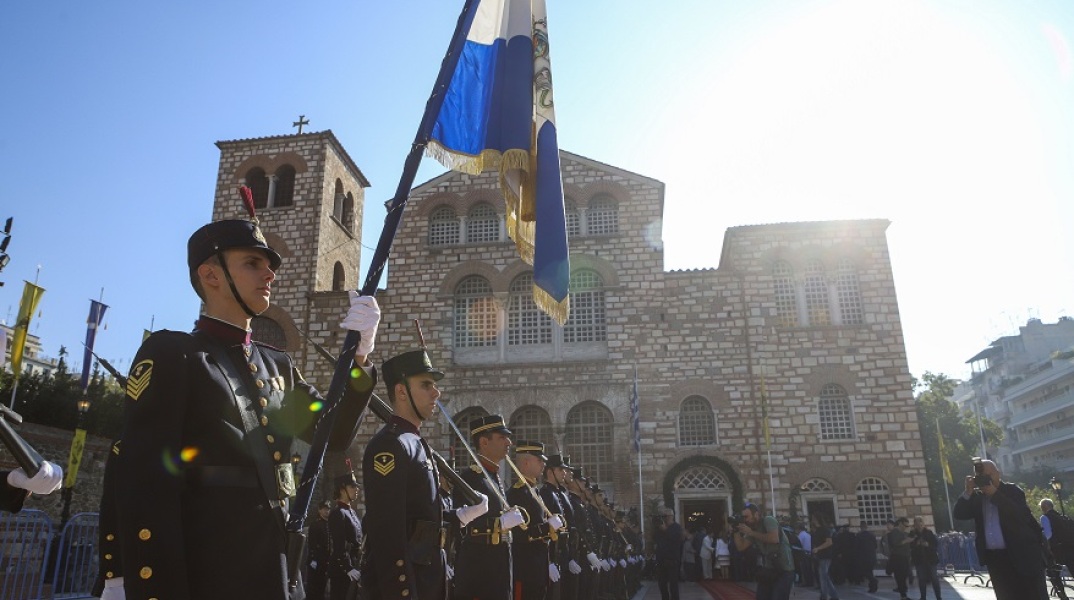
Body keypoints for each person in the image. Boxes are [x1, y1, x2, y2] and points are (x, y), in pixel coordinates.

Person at [112, 205, 382, 600]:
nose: (269, 274)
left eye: (269, 265)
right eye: (253, 263)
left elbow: (333, 434)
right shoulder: (175, 355)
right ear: (211, 275)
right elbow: (146, 486)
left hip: (278, 570)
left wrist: (359, 360)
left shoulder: (279, 366)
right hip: (210, 574)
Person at [362, 348, 489, 600]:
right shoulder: (391, 445)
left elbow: (419, 521)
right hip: (406, 587)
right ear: (401, 392)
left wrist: (458, 517)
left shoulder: (416, 443)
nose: (436, 392)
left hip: (428, 579)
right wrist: (404, 593)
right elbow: (388, 533)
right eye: (426, 385)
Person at [452, 414, 526, 600]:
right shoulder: (470, 479)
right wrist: (499, 524)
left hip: (499, 566)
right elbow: (462, 527)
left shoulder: (493, 476)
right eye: (502, 437)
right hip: (480, 570)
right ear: (484, 442)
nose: (509, 442)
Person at [953, 458, 1048, 600]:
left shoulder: (1012, 490)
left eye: (988, 475)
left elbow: (1020, 515)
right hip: (996, 560)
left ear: (998, 473)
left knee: (1033, 595)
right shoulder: (978, 498)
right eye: (981, 477)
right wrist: (968, 491)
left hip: (1021, 557)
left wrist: (994, 493)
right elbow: (959, 514)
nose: (985, 479)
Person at [506, 441, 564, 600]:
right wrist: (547, 528)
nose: (543, 464)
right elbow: (518, 535)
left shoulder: (533, 491)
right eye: (539, 460)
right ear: (526, 462)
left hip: (538, 568)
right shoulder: (518, 493)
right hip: (525, 570)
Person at [734, 503, 794, 600]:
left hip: (784, 569)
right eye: (743, 517)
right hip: (769, 569)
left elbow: (774, 538)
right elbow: (741, 547)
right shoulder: (753, 530)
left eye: (747, 516)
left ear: (756, 514)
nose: (745, 519)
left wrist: (751, 532)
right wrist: (735, 531)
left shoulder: (768, 520)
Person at [328, 471, 363, 600]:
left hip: (354, 567)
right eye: (352, 486)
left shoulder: (351, 511)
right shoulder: (338, 513)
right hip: (342, 572)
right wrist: (348, 568)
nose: (356, 489)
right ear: (342, 489)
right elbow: (339, 546)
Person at [654, 509, 684, 600]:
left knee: (673, 584)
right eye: (662, 516)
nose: (664, 519)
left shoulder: (676, 527)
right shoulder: (660, 528)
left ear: (671, 516)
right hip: (661, 559)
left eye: (665, 516)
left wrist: (666, 530)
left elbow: (676, 539)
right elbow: (656, 539)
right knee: (662, 583)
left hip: (672, 560)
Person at [909, 516, 941, 600]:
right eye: (916, 523)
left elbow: (935, 544)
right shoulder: (912, 534)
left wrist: (928, 545)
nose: (918, 525)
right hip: (919, 560)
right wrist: (917, 543)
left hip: (930, 559)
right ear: (914, 524)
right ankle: (923, 597)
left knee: (934, 579)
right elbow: (910, 546)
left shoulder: (929, 532)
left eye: (920, 523)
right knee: (921, 579)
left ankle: (938, 597)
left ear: (923, 524)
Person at [306, 500, 332, 600]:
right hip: (316, 560)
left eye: (328, 509)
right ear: (319, 510)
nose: (326, 511)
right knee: (314, 588)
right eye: (324, 509)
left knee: (323, 587)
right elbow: (312, 544)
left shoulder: (329, 524)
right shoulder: (315, 525)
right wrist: (313, 559)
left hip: (326, 560)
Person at [810, 516, 838, 600]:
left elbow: (829, 542)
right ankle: (834, 596)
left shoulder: (825, 529)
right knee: (825, 576)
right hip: (820, 556)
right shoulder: (816, 531)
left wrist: (818, 548)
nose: (812, 520)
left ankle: (824, 596)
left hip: (825, 556)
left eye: (813, 519)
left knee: (823, 576)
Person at [888, 518, 912, 600]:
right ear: (900, 524)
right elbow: (895, 544)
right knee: (900, 576)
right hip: (898, 557)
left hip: (904, 557)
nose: (906, 527)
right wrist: (906, 541)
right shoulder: (895, 532)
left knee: (904, 575)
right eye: (905, 525)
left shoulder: (903, 532)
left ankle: (903, 593)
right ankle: (903, 595)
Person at [853, 523, 878, 593]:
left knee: (865, 571)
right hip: (872, 556)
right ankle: (872, 587)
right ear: (867, 527)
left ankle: (874, 581)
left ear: (861, 527)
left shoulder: (859, 535)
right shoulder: (872, 535)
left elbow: (856, 547)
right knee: (870, 571)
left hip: (863, 557)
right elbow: (876, 546)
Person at [794, 524, 813, 588]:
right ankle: (810, 582)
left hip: (803, 554)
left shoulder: (800, 535)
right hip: (810, 553)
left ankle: (806, 582)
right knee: (809, 569)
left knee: (804, 569)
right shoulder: (808, 534)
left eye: (796, 529)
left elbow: (798, 545)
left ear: (799, 529)